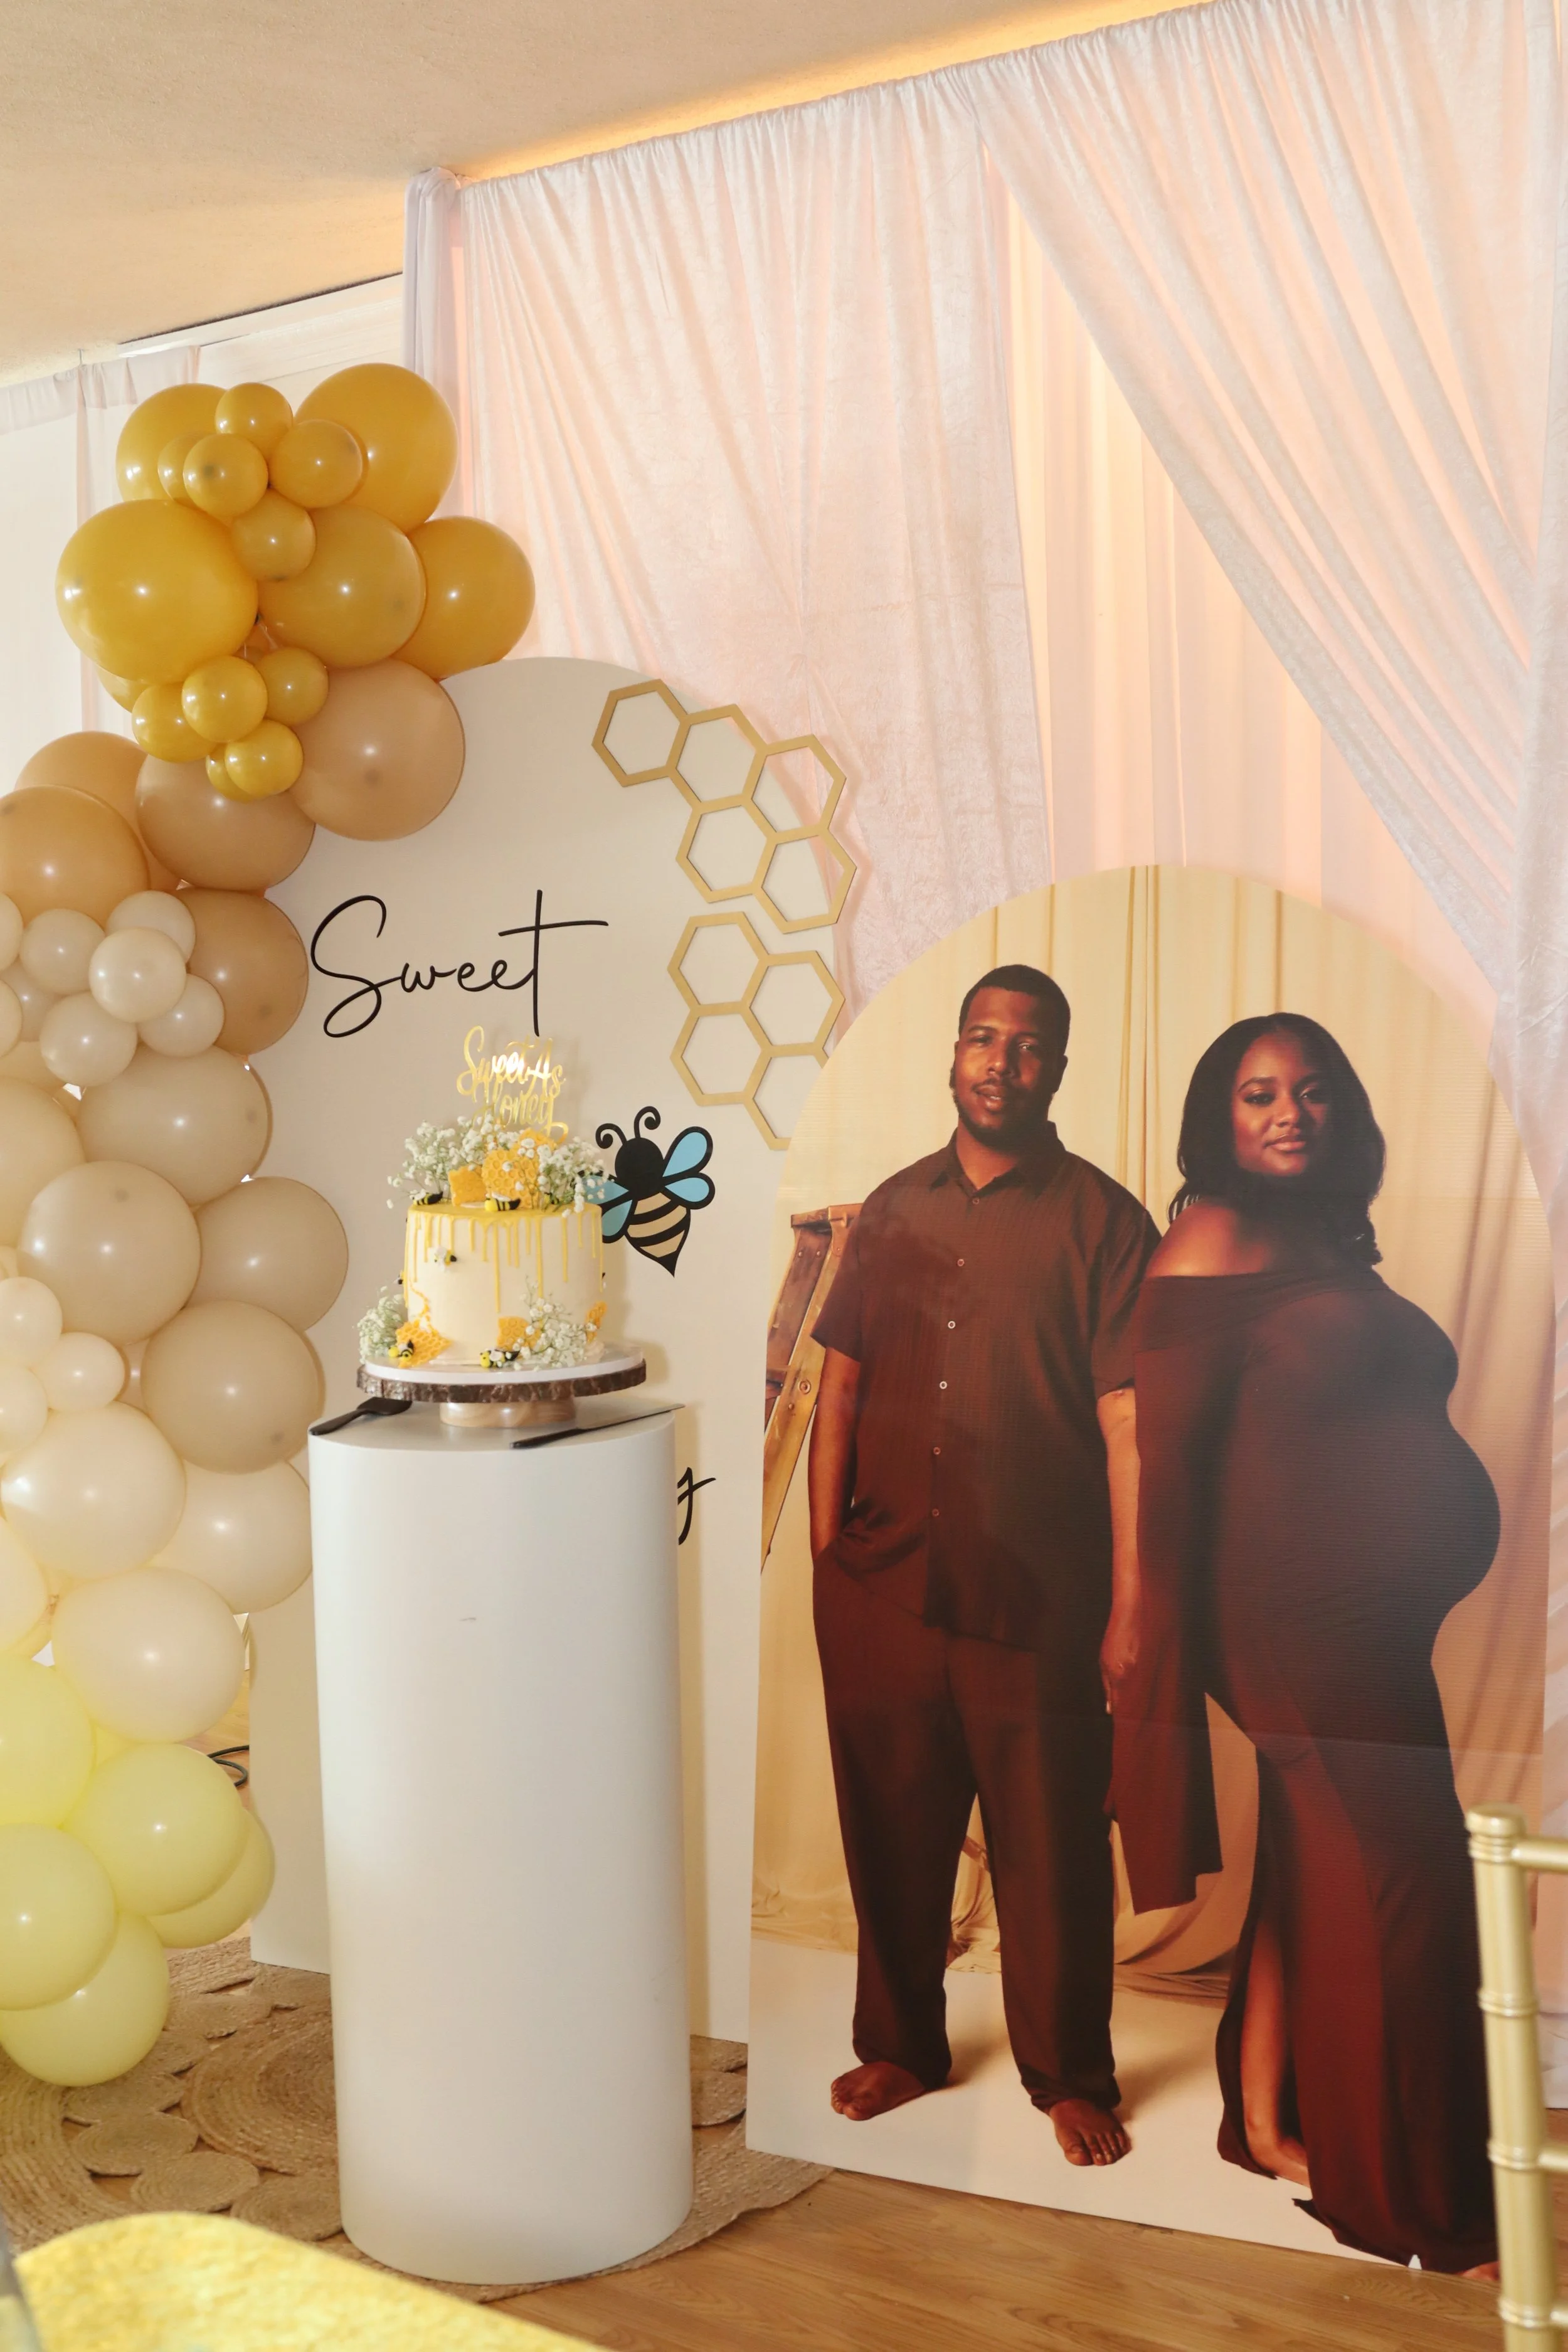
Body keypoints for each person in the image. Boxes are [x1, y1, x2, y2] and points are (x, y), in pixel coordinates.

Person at [1114, 1012, 1498, 2270]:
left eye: (1312, 1091)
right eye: (1257, 1093)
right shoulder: (1205, 1236)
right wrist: (1135, 1628)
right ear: (1214, 1121)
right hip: (1289, 1626)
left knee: (1318, 1860)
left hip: (1369, 1627)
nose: (1288, 1112)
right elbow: (1154, 1454)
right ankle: (1400, 2198)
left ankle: (1264, 2118)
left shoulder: (1322, 1242)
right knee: (1400, 1883)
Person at [808, 964, 1158, 2168]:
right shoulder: (892, 1209)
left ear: (1058, 1068)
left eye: (1028, 1045)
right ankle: (902, 2043)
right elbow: (839, 1384)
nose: (1001, 1062)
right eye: (982, 1038)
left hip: (1042, 1599)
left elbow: (1129, 1421)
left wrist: (1128, 1603)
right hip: (884, 1586)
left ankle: (1067, 2073)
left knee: (1052, 1840)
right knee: (892, 1827)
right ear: (952, 1055)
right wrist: (825, 1562)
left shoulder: (1108, 1223)